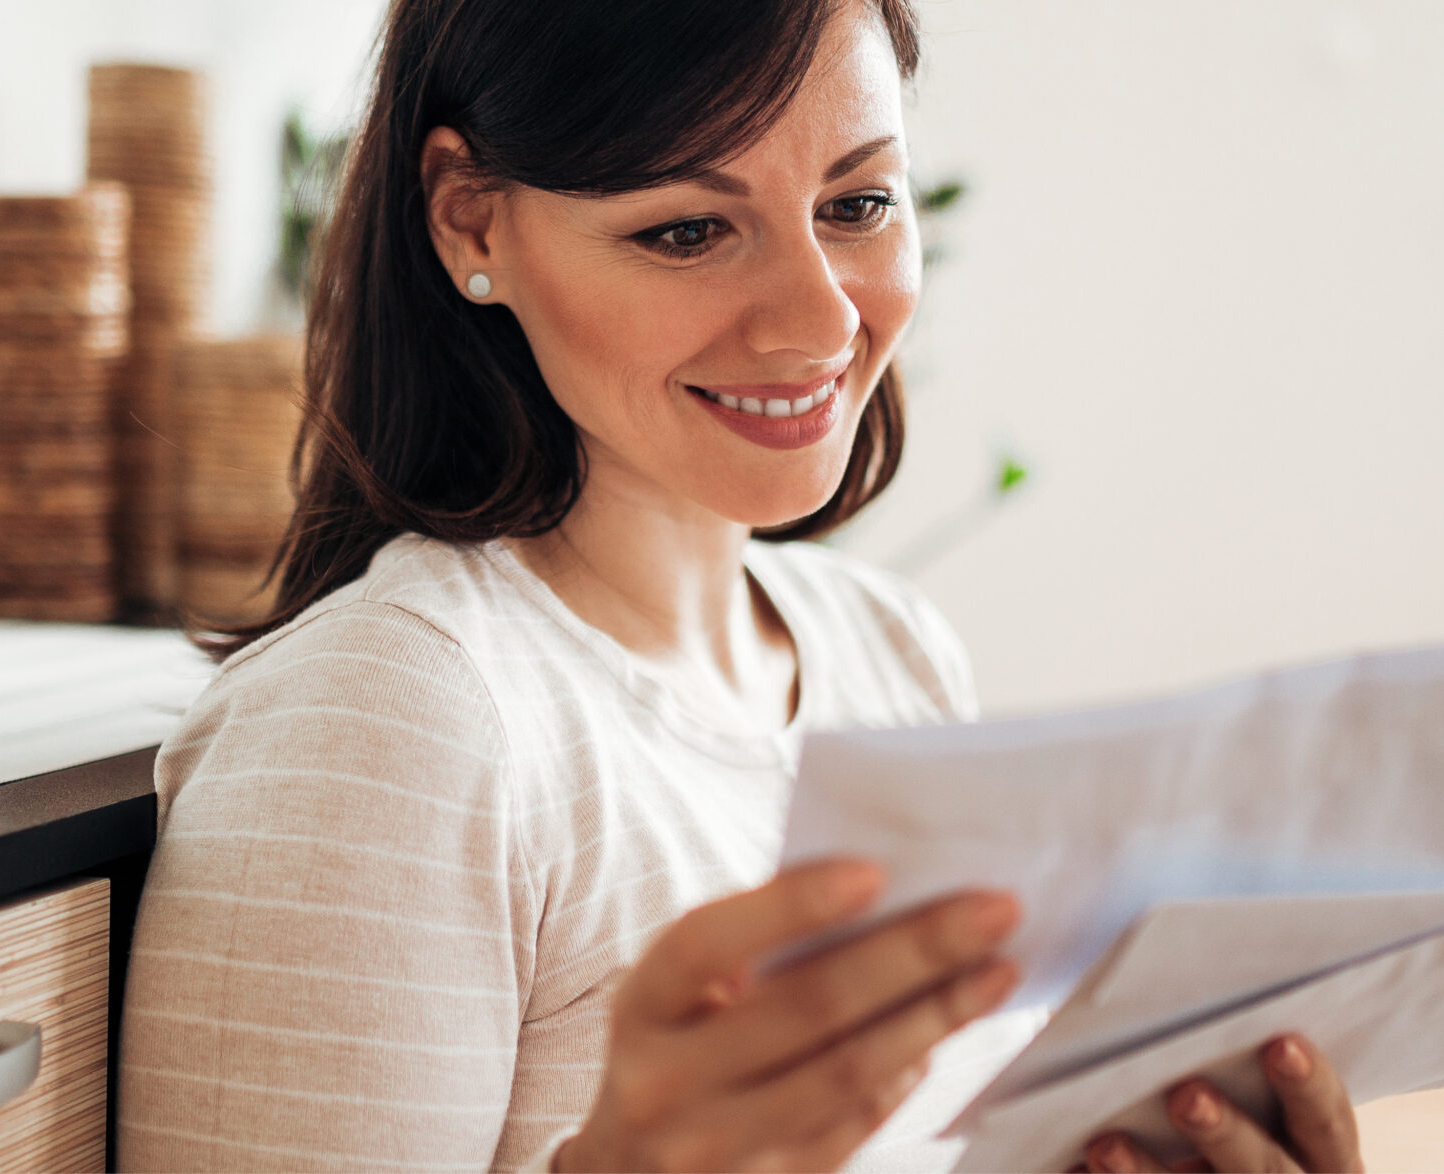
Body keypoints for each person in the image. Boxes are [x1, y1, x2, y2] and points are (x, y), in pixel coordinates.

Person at [118, 1, 1366, 1170]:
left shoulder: (893, 654)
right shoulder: (395, 720)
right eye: (685, 230)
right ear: (471, 220)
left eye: (859, 203)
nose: (816, 322)